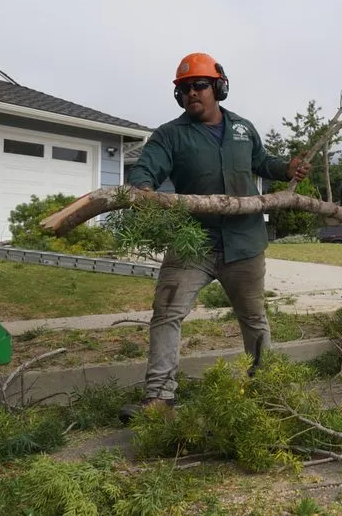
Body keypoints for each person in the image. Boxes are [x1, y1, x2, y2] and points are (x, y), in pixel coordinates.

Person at [119, 52, 310, 420]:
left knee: (253, 318)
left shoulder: (242, 128)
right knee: (167, 313)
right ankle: (160, 398)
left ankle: (264, 386)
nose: (192, 92)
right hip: (193, 243)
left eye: (200, 85)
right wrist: (141, 188)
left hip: (245, 243)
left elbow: (261, 162)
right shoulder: (170, 136)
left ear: (218, 87)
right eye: (185, 88)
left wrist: (285, 168)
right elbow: (147, 167)